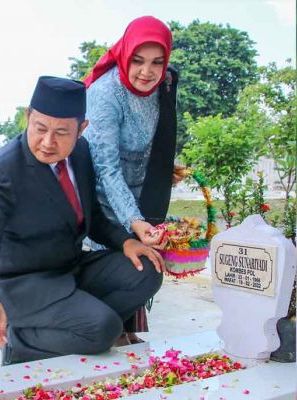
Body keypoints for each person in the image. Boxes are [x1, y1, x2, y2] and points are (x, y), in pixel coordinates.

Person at [0, 76, 164, 365]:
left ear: (82, 129)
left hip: (70, 268)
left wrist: (127, 241)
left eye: (61, 132)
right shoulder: (3, 170)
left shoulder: (80, 154)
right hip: (25, 283)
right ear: (28, 117)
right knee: (103, 329)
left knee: (147, 269)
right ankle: (23, 341)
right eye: (40, 128)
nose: (47, 142)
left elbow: (92, 217)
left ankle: (76, 322)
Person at [83, 16, 186, 344]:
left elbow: (155, 140)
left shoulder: (165, 84)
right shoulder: (105, 93)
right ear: (125, 55)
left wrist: (161, 169)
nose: (147, 72)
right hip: (102, 197)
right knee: (119, 259)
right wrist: (134, 218)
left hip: (140, 196)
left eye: (157, 62)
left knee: (145, 263)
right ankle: (101, 329)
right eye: (138, 61)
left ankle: (125, 329)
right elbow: (106, 168)